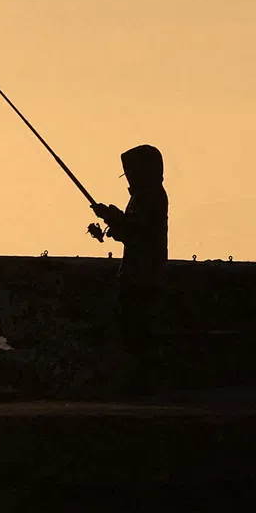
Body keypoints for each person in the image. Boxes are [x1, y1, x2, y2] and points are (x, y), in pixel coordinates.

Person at [88, 145, 169, 374]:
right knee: (135, 331)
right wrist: (113, 219)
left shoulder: (148, 197)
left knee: (136, 332)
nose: (130, 178)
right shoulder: (147, 196)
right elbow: (132, 231)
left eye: (132, 172)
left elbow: (136, 233)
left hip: (142, 276)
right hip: (142, 274)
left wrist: (111, 217)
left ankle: (139, 381)